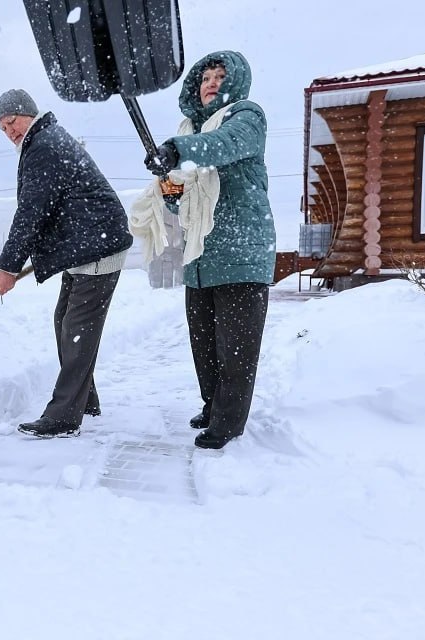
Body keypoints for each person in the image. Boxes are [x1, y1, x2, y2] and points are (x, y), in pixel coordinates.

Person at [142, 51, 277, 450]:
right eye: (205, 77)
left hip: (241, 252)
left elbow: (223, 145)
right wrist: (171, 191)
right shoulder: (191, 133)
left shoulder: (247, 117)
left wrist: (176, 149)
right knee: (203, 343)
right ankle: (213, 404)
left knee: (234, 348)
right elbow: (184, 204)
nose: (211, 82)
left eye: (220, 76)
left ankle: (228, 422)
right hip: (201, 254)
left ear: (235, 82)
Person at [0, 89, 133, 439]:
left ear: (28, 114)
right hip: (85, 245)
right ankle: (85, 399)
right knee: (65, 321)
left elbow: (30, 212)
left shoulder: (43, 145)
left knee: (77, 327)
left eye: (11, 122)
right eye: (2, 128)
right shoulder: (45, 140)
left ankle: (64, 415)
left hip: (98, 246)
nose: (9, 131)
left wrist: (9, 266)